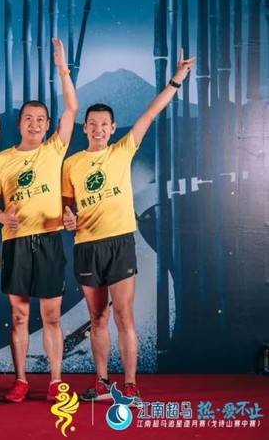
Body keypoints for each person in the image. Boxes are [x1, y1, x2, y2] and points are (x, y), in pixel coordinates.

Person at [62, 49, 195, 406]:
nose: (99, 129)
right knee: (97, 317)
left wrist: (177, 79)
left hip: (119, 244)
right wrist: (68, 217)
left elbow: (151, 112)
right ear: (85, 128)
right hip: (87, 246)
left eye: (104, 124)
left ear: (112, 127)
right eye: (92, 124)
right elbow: (66, 206)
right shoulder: (72, 164)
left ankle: (131, 386)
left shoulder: (123, 149)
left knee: (123, 315)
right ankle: (102, 383)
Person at [0, 38, 77, 402]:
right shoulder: (2, 159)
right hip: (16, 243)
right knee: (19, 316)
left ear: (46, 125)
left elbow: (72, 109)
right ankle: (21, 380)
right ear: (19, 123)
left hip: (49, 239)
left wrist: (62, 69)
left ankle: (56, 380)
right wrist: (0, 217)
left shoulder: (55, 148)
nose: (35, 124)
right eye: (29, 118)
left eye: (41, 119)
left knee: (52, 316)